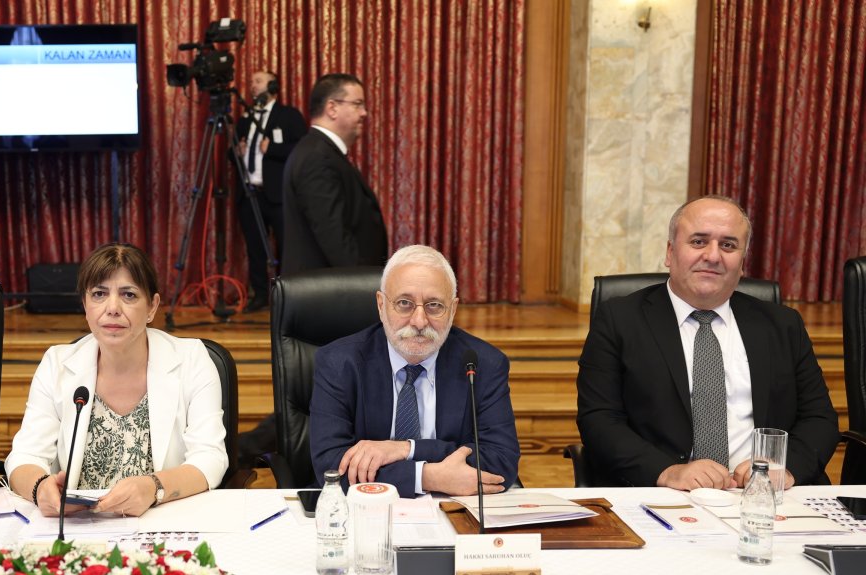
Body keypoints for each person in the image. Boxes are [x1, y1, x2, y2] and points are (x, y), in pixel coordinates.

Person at [576, 195, 839, 489]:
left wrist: (785, 470)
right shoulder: (619, 320)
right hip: (663, 493)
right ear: (670, 251)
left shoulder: (782, 324)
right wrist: (667, 471)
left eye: (728, 245)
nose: (713, 256)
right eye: (699, 241)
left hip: (763, 495)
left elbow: (819, 418)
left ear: (742, 262)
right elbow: (599, 419)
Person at [6, 243, 228, 517]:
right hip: (79, 527)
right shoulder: (57, 364)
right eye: (99, 294)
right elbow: (24, 456)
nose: (112, 308)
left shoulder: (192, 359)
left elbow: (210, 458)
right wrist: (40, 489)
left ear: (152, 307)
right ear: (85, 305)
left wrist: (154, 488)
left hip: (164, 523)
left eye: (129, 295)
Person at [308, 245, 520, 498]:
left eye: (434, 305)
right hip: (368, 512)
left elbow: (501, 462)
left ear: (452, 310)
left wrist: (406, 449)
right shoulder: (339, 363)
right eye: (405, 303)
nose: (419, 321)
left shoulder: (483, 363)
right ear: (381, 304)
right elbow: (332, 467)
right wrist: (428, 477)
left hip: (454, 510)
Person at [281, 73, 387, 275]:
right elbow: (333, 235)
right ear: (332, 108)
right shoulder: (317, 157)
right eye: (357, 104)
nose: (364, 113)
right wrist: (361, 284)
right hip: (326, 294)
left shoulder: (322, 152)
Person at [233, 71, 306, 311]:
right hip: (250, 194)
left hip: (278, 195)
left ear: (273, 85)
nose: (252, 85)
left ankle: (286, 299)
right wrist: (238, 151)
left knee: (286, 247)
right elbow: (229, 153)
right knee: (254, 248)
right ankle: (260, 295)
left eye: (258, 81)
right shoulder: (245, 118)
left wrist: (272, 148)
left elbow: (302, 149)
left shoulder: (288, 116)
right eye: (251, 81)